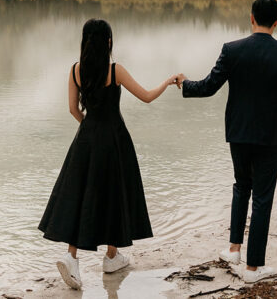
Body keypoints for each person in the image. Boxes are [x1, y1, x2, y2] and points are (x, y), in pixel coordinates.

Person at [38, 18, 181, 290]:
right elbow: (147, 96)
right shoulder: (115, 70)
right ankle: (112, 257)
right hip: (114, 140)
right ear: (109, 42)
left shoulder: (75, 70)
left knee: (81, 194)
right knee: (114, 194)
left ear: (84, 42)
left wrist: (89, 129)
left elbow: (72, 109)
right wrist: (168, 81)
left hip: (86, 139)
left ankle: (71, 257)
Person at [176, 0, 277, 283]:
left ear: (251, 17)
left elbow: (209, 86)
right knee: (263, 198)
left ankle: (234, 250)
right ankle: (253, 268)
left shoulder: (232, 50)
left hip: (239, 132)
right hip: (271, 137)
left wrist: (185, 84)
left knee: (241, 186)